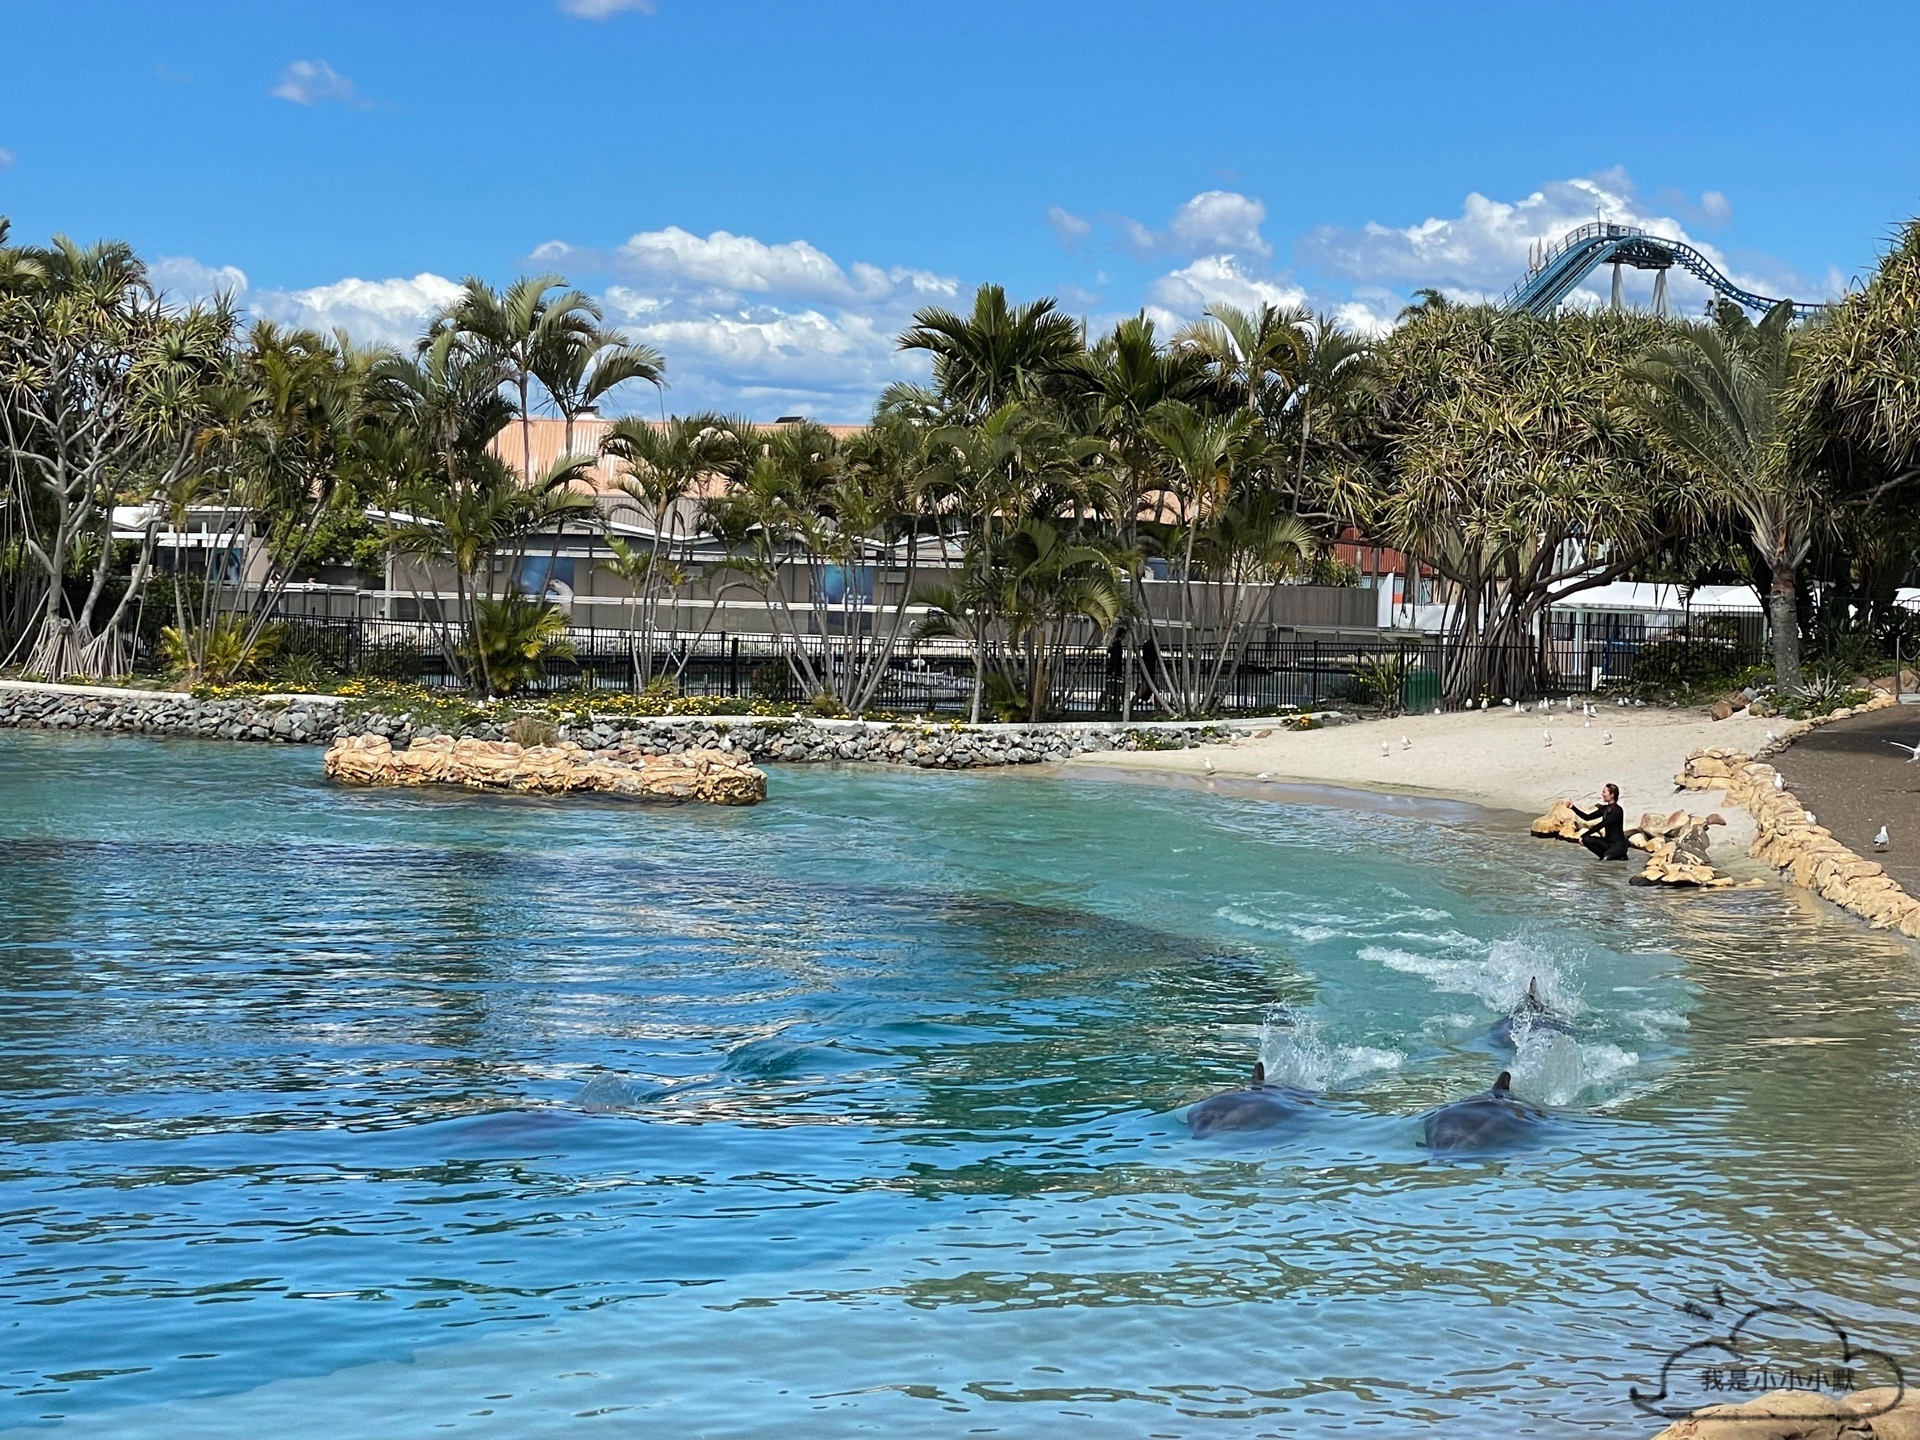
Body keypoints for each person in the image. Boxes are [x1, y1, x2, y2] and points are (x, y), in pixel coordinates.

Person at [1572, 783, 1629, 861]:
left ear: (1612, 794)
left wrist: (1582, 835)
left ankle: (1618, 855)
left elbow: (1602, 824)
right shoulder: (1604, 809)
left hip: (1619, 845)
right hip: (1608, 843)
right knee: (1586, 840)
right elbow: (1587, 817)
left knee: (1605, 859)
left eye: (1604, 792)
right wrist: (1572, 807)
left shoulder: (1617, 810)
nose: (1602, 794)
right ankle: (1615, 856)